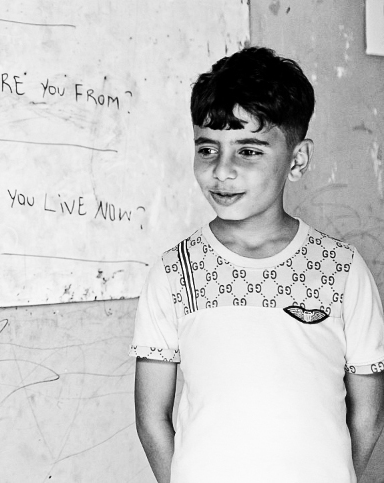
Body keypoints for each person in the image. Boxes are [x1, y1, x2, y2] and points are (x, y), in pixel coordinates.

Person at [130, 46, 384, 483]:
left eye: (248, 151)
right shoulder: (175, 272)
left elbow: (369, 415)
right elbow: (151, 417)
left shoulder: (340, 269)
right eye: (207, 149)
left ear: (297, 160)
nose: (222, 171)